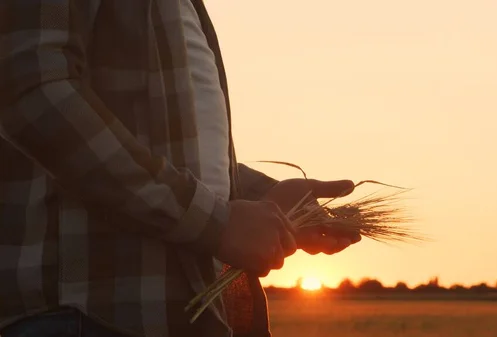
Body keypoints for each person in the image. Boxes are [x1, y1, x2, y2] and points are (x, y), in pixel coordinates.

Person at [0, 1, 361, 336]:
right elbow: (34, 93)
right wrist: (217, 222)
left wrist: (260, 198)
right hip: (87, 315)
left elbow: (163, 145)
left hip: (167, 317)